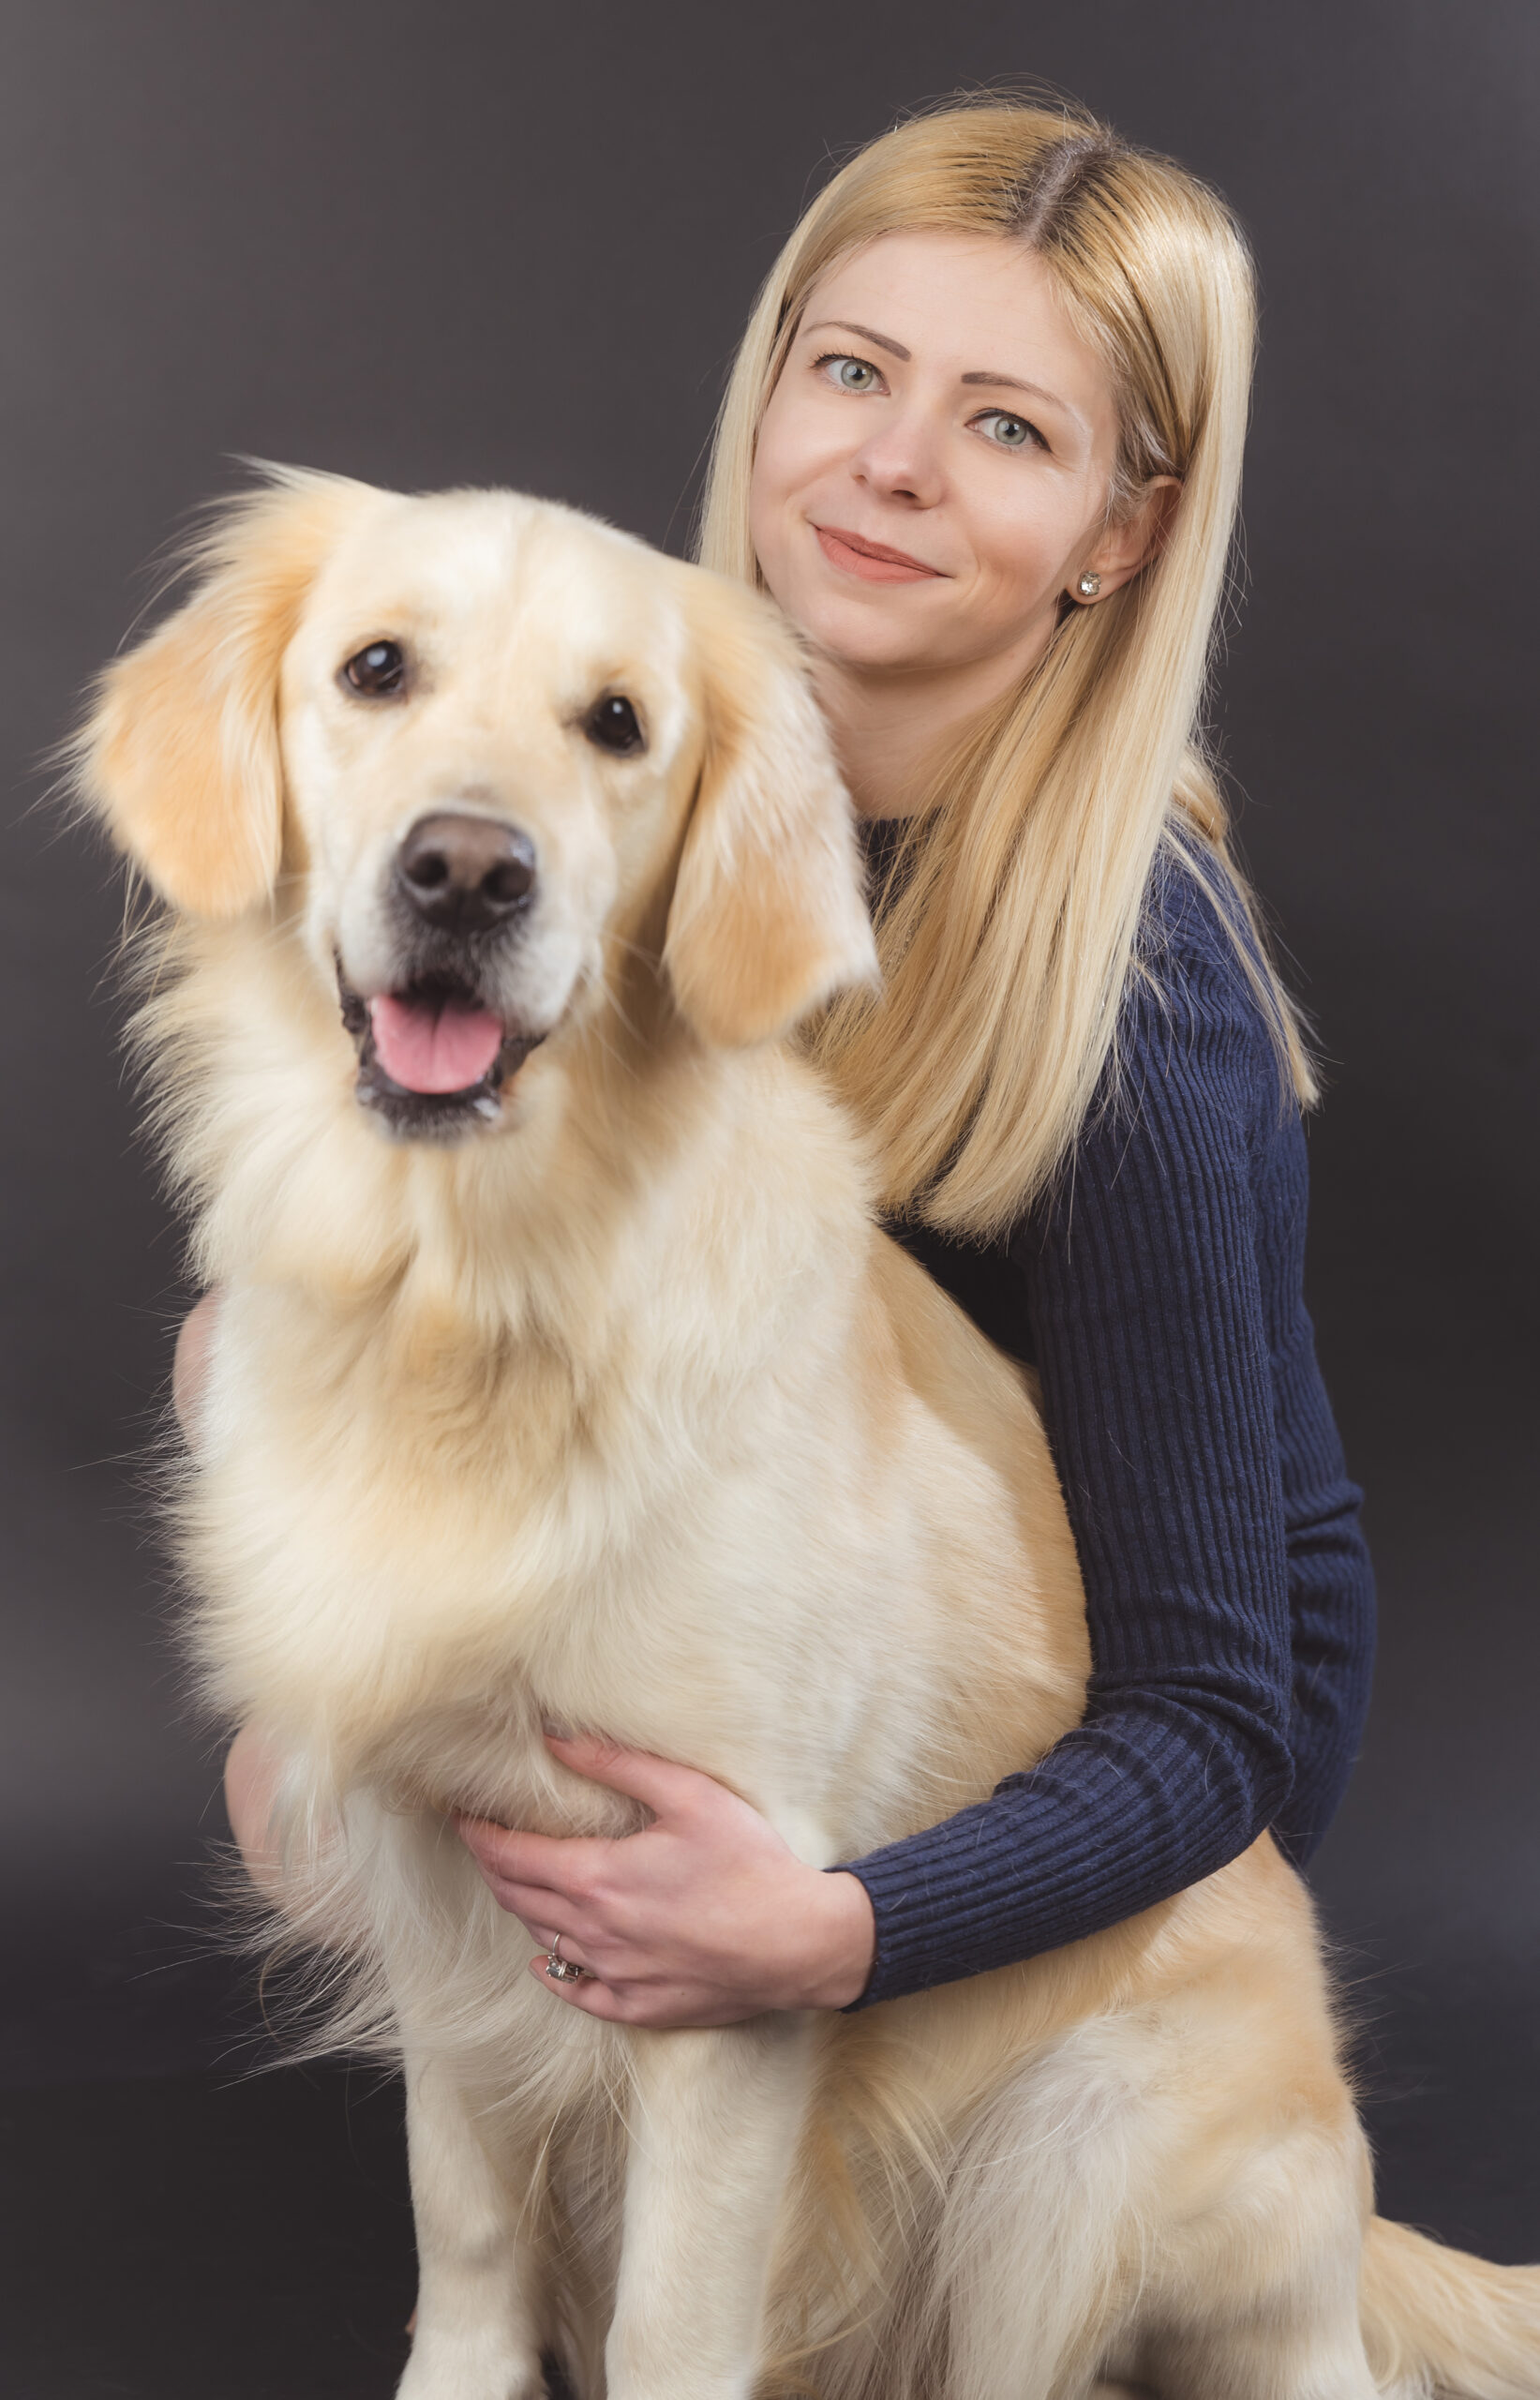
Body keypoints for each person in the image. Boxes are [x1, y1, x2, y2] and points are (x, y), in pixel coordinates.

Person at [187, 95, 1374, 2029]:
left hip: (1098, 1758)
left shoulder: (1138, 1007)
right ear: (768, 388)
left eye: (1007, 427)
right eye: (853, 372)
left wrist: (838, 1925)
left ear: (1119, 533)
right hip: (799, 1563)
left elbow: (1218, 1709)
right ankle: (625, 2051)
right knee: (253, 1432)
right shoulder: (640, 794)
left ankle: (760, 2029)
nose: (893, 463)